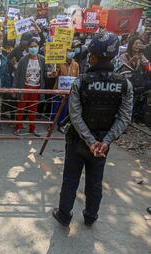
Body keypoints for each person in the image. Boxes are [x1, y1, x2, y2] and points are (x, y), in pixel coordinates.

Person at [52, 32, 133, 228]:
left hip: (77, 142)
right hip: (102, 144)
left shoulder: (81, 81)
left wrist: (89, 141)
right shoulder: (124, 84)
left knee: (70, 179)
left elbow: (75, 115)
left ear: (93, 56)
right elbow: (124, 118)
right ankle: (90, 216)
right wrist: (104, 142)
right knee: (95, 182)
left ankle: (64, 215)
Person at [13, 38, 46, 136]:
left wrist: (51, 73)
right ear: (28, 48)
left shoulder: (42, 59)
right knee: (21, 108)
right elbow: (17, 74)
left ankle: (32, 128)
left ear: (38, 47)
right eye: (31, 46)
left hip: (36, 88)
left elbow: (44, 73)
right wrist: (15, 88)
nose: (33, 48)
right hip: (24, 87)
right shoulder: (23, 60)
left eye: (35, 46)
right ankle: (18, 128)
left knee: (33, 109)